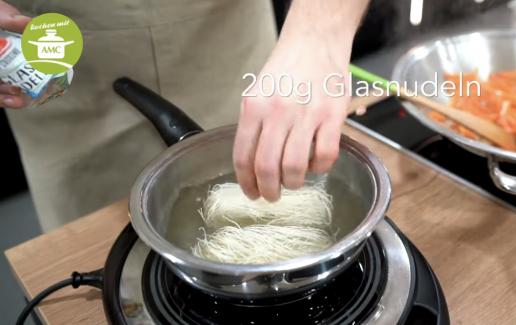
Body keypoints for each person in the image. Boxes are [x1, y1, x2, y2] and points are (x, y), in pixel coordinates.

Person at [0, 0, 369, 231]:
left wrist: (318, 32)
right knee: (99, 253)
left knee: (271, 206)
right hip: (54, 64)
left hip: (232, 47)